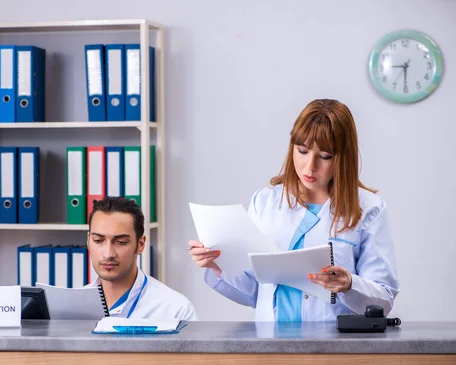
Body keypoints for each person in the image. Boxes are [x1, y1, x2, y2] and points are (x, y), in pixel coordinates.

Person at [188, 99, 399, 322]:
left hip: (334, 345)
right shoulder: (265, 202)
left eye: (325, 156)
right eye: (302, 151)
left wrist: (349, 285)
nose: (310, 166)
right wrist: (217, 266)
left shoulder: (369, 209)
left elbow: (383, 300)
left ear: (343, 157)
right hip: (272, 342)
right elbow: (257, 292)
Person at [87, 196, 198, 321]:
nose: (108, 254)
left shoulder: (175, 310)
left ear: (140, 245)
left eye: (120, 242)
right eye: (98, 240)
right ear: (88, 240)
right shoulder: (70, 308)